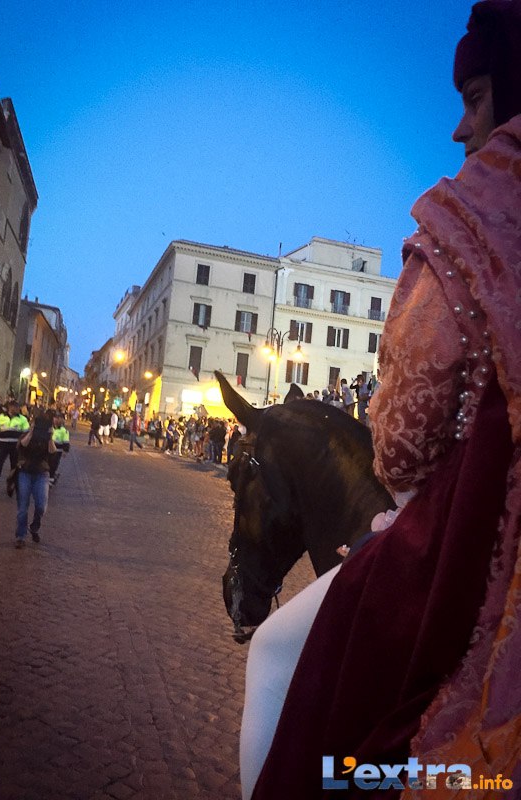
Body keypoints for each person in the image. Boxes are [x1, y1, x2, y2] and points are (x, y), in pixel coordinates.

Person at [244, 2, 521, 797]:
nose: (460, 129)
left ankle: (334, 782)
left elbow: (400, 444)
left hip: (471, 539)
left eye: (475, 99)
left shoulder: (472, 223)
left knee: (275, 655)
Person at [14, 413, 56, 548]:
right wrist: (31, 432)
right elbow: (22, 445)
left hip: (41, 473)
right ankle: (21, 536)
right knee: (22, 507)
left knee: (41, 506)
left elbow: (52, 452)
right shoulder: (26, 434)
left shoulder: (47, 437)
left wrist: (50, 437)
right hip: (25, 472)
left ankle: (34, 526)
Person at [0, 400, 30, 492]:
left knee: (15, 465)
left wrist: (24, 446)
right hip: (2, 444)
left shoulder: (23, 419)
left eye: (16, 407)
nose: (14, 409)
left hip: (16, 446)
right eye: (12, 407)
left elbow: (26, 433)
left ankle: (12, 484)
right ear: (9, 407)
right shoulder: (1, 417)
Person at [49, 414, 70, 486]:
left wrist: (65, 450)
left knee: (54, 464)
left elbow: (66, 442)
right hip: (48, 449)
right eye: (55, 418)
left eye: (58, 419)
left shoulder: (64, 431)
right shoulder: (50, 428)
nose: (56, 420)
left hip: (57, 451)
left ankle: (51, 478)